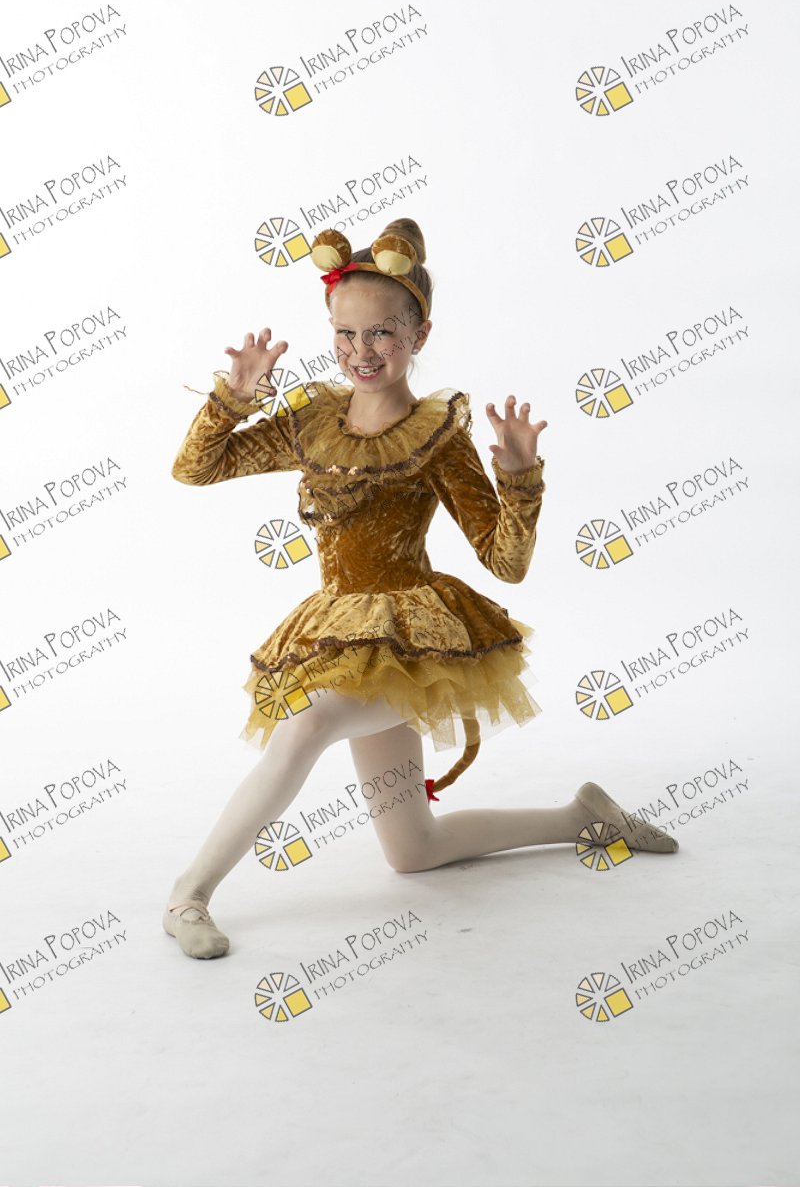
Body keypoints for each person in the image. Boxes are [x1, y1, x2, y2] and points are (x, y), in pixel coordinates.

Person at [164, 218, 678, 960]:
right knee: (414, 850)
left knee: (305, 725)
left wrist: (520, 481)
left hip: (411, 638)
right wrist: (232, 397)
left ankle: (189, 894)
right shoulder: (311, 422)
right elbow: (195, 468)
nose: (361, 351)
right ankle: (581, 816)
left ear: (418, 334)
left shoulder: (436, 434)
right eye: (345, 333)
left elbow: (505, 562)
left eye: (382, 333)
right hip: (340, 631)